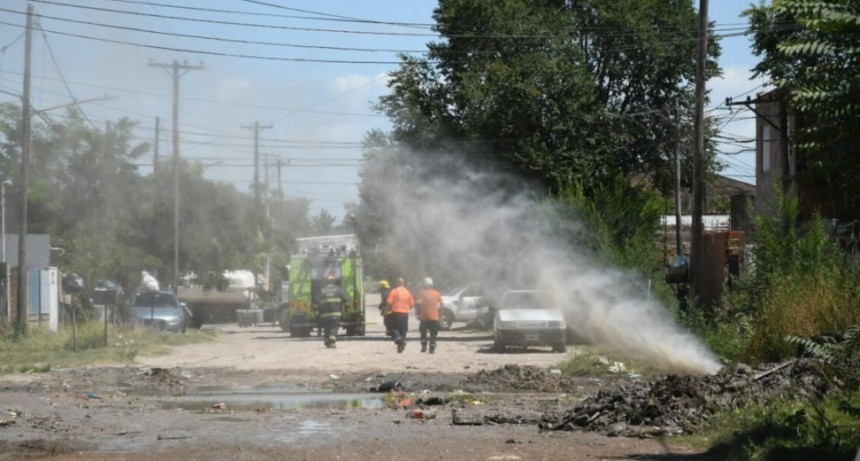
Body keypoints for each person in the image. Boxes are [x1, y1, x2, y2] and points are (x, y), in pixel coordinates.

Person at [318, 273, 348, 349]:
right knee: (334, 327)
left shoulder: (322, 290)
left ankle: (327, 341)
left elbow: (317, 301)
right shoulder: (339, 289)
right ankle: (332, 342)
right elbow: (346, 300)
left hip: (325, 315)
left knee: (327, 327)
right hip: (336, 313)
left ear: (326, 281)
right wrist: (346, 308)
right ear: (334, 281)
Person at [386, 277, 414, 353]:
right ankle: (401, 346)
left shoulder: (394, 291)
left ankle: (400, 342)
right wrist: (406, 309)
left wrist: (386, 311)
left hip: (395, 313)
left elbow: (389, 302)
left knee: (393, 328)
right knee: (403, 330)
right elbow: (411, 304)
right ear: (403, 283)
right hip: (405, 314)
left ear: (397, 283)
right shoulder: (407, 292)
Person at [416, 277, 443, 354]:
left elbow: (417, 304)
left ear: (424, 285)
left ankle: (424, 346)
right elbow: (442, 305)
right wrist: (440, 315)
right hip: (434, 317)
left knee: (423, 331)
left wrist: (418, 314)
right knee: (433, 333)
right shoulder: (437, 293)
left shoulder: (422, 293)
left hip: (424, 317)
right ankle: (432, 348)